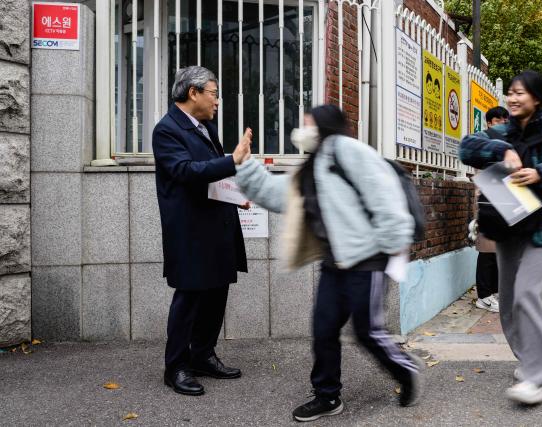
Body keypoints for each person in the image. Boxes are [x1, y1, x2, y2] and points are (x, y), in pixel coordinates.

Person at [233, 105, 424, 422]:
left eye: (309, 123)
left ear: (324, 125)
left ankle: (406, 371)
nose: (303, 129)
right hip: (334, 265)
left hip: (368, 259)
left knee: (368, 333)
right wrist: (244, 164)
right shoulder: (314, 165)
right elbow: (277, 194)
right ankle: (327, 396)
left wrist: (391, 246)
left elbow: (384, 194)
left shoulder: (348, 151)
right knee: (323, 329)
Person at [459, 70, 542, 405]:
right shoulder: (504, 131)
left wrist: (541, 173)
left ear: (536, 98)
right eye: (510, 92)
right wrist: (502, 149)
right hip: (510, 224)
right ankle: (530, 358)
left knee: (527, 295)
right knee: (507, 302)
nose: (513, 98)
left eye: (520, 93)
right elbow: (467, 147)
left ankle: (537, 376)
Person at [152, 66, 252, 396]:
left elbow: (211, 177)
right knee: (190, 297)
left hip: (216, 224)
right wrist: (232, 160)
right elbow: (185, 171)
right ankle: (176, 367)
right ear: (192, 93)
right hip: (191, 229)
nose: (217, 102)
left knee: (216, 293)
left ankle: (203, 356)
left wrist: (237, 196)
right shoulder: (166, 130)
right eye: (213, 93)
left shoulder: (204, 127)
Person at [474, 106, 510, 313]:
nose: (502, 124)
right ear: (489, 123)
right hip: (488, 201)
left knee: (498, 252)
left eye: (504, 121)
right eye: (497, 121)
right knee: (487, 251)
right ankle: (484, 296)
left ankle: (494, 291)